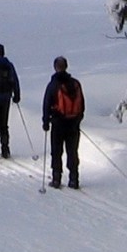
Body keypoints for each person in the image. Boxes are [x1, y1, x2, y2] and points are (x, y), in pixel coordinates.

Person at [40, 56, 85, 189]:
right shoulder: (76, 83)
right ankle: (74, 179)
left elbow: (46, 104)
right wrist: (77, 120)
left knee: (57, 151)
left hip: (58, 123)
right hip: (73, 124)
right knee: (72, 151)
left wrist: (46, 121)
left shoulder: (53, 85)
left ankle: (56, 179)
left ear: (55, 67)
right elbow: (82, 104)